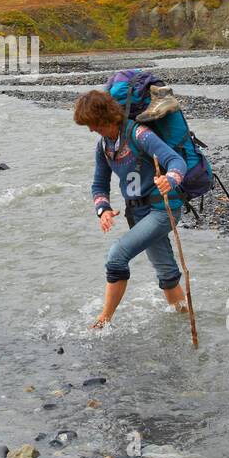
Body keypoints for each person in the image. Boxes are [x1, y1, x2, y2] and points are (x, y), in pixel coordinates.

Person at [74, 89, 188, 329]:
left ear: (107, 117)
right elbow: (98, 185)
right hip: (137, 214)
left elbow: (176, 161)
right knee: (167, 276)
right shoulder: (103, 145)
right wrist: (102, 209)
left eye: (93, 124)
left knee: (116, 258)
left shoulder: (139, 134)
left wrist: (171, 179)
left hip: (162, 210)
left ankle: (103, 322)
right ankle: (183, 321)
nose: (91, 129)